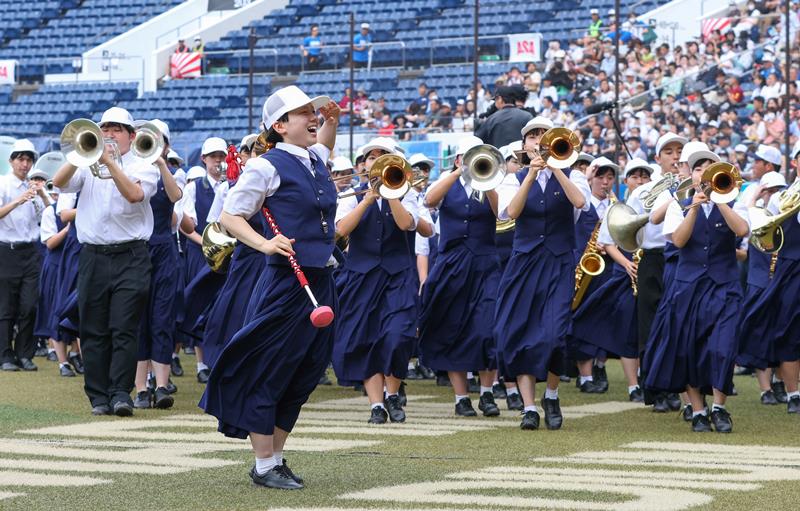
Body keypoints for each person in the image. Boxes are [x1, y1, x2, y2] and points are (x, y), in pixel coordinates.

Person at [201, 85, 340, 490]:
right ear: (279, 126)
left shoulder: (314, 158)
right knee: (269, 368)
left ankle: (275, 459)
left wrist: (330, 120)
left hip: (322, 279)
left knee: (306, 370)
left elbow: (324, 147)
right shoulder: (265, 166)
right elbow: (231, 216)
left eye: (311, 113)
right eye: (302, 114)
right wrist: (265, 243)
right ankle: (264, 465)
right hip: (286, 282)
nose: (311, 118)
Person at [52, 107, 159, 416]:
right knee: (93, 328)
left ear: (131, 135)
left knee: (125, 326)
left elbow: (135, 195)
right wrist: (78, 154)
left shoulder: (144, 163)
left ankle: (120, 392)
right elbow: (59, 183)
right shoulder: (86, 164)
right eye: (105, 128)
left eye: (117, 129)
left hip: (132, 255)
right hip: (93, 256)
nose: (109, 134)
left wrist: (110, 163)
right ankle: (98, 395)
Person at [494, 117, 591, 430]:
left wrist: (557, 169)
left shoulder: (574, 176)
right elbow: (510, 212)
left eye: (543, 135)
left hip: (559, 262)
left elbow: (581, 203)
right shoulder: (513, 178)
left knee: (554, 335)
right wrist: (531, 175)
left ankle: (551, 393)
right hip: (524, 262)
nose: (538, 140)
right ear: (524, 145)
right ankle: (530, 406)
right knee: (520, 333)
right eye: (532, 136)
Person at [645, 147, 749, 432]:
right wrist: (694, 205)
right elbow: (678, 241)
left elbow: (741, 231)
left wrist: (720, 200)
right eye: (699, 168)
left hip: (724, 285)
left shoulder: (734, 201)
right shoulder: (679, 204)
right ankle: (699, 410)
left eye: (709, 167)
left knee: (723, 346)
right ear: (691, 175)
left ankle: (720, 407)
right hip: (688, 285)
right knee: (689, 347)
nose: (704, 173)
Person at [333, 137, 419, 425]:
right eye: (371, 157)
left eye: (383, 156)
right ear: (363, 164)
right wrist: (369, 197)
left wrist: (391, 191)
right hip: (362, 276)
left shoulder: (406, 193)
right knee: (366, 338)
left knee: (397, 336)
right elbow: (341, 231)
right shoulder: (352, 196)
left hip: (398, 275)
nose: (376, 160)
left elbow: (407, 224)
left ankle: (393, 393)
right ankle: (376, 405)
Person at [418, 136, 502, 417]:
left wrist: (486, 179)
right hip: (453, 262)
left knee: (488, 327)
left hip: (485, 263)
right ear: (458, 159)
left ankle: (488, 393)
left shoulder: (491, 182)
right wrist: (457, 172)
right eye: (467, 157)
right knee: (452, 327)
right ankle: (461, 397)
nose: (472, 163)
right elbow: (429, 199)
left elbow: (498, 212)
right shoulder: (448, 181)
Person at [569, 159, 653, 401]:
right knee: (583, 316)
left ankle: (600, 366)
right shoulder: (584, 202)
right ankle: (585, 375)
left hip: (611, 270)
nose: (605, 183)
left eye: (609, 178)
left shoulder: (618, 206)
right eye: (600, 177)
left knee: (611, 322)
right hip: (585, 266)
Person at [627, 133, 687, 413]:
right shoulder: (644, 191)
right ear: (658, 159)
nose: (675, 156)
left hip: (682, 256)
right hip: (653, 258)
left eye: (679, 151)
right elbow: (629, 227)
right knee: (650, 325)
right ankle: (654, 388)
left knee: (677, 322)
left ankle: (676, 386)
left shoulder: (694, 187)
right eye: (669, 152)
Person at [134, 119, 185, 410]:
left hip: (164, 250)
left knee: (162, 317)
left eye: (157, 139)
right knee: (140, 319)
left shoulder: (172, 173)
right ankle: (141, 387)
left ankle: (162, 385)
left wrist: (161, 163)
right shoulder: (131, 171)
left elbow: (175, 196)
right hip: (139, 250)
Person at [736, 171, 788, 405]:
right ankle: (765, 389)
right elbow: (744, 228)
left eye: (778, 190)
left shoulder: (788, 213)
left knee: (783, 331)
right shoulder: (753, 212)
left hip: (783, 278)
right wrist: (755, 193)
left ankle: (779, 382)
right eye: (771, 191)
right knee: (759, 331)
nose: (774, 196)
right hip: (758, 278)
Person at [179, 136, 228, 383]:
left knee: (224, 308)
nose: (218, 161)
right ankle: (201, 364)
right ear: (204, 159)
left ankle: (219, 359)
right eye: (213, 157)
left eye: (221, 156)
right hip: (202, 255)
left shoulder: (232, 183)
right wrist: (210, 244)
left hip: (229, 256)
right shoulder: (193, 187)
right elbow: (186, 226)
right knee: (202, 305)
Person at [0, 140, 50, 372]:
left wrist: (41, 192)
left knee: (29, 305)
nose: (25, 164)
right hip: (7, 250)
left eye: (29, 159)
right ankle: (5, 355)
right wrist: (18, 200)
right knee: (6, 307)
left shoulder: (33, 186)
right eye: (20, 159)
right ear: (11, 161)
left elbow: (49, 213)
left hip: (30, 251)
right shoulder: (3, 184)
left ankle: (24, 353)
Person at [33, 170, 74, 376]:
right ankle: (62, 361)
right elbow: (50, 243)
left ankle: (76, 355)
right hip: (57, 265)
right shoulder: (52, 212)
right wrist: (67, 229)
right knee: (56, 309)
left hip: (74, 264)